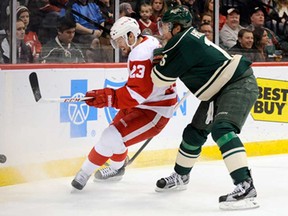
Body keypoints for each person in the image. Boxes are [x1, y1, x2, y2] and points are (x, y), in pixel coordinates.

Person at [151, 6, 259, 210]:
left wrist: (158, 59)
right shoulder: (185, 39)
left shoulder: (181, 41)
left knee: (223, 129)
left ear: (176, 28)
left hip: (237, 83)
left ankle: (245, 187)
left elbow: (159, 79)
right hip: (219, 88)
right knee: (194, 132)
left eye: (165, 26)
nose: (162, 30)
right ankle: (181, 176)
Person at [71, 16, 177, 191]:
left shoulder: (140, 53)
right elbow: (140, 89)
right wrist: (108, 96)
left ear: (130, 35)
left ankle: (86, 173)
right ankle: (117, 168)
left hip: (155, 110)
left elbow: (138, 92)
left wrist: (107, 97)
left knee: (110, 137)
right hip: (145, 102)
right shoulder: (149, 41)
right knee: (112, 134)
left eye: (120, 39)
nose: (119, 45)